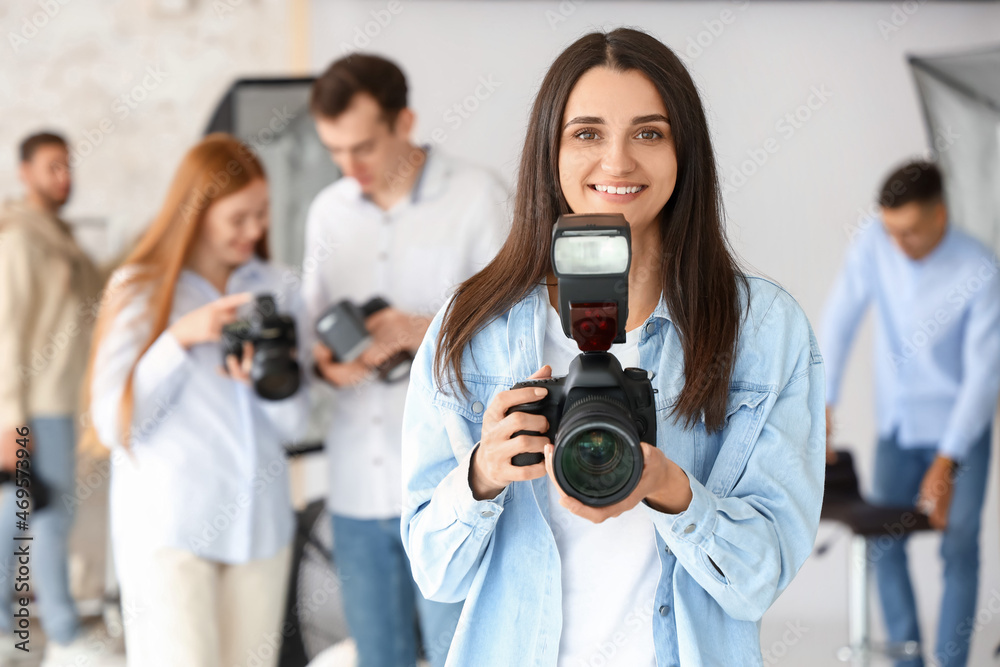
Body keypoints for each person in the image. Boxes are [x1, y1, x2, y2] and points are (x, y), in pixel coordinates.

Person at [400, 28, 825, 667]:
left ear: (686, 151)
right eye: (588, 133)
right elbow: (436, 576)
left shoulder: (761, 330)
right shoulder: (473, 329)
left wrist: (668, 487)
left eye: (649, 133)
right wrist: (482, 476)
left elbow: (760, 577)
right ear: (551, 149)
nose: (619, 162)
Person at [302, 54, 508, 667]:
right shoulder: (327, 211)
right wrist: (326, 364)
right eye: (334, 151)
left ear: (405, 121)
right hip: (357, 488)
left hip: (454, 485)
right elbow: (313, 337)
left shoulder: (479, 199)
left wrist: (413, 329)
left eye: (362, 146)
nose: (349, 167)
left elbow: (515, 336)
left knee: (460, 654)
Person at [87, 134, 309, 667]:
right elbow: (111, 425)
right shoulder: (139, 289)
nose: (254, 230)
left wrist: (262, 380)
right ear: (198, 210)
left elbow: (295, 425)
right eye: (239, 218)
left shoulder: (275, 289)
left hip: (262, 530)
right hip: (171, 536)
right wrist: (179, 339)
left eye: (261, 214)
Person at [822, 161, 1000, 667]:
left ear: (941, 215)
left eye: (912, 231)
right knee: (883, 544)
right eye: (891, 230)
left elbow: (984, 377)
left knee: (959, 548)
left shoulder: (980, 269)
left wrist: (946, 464)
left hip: (961, 431)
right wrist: (824, 402)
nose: (899, 244)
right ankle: (909, 661)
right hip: (897, 430)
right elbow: (839, 320)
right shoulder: (874, 242)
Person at [0, 131, 105, 665]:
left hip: (62, 400)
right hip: (38, 405)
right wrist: (10, 419)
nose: (62, 178)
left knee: (26, 512)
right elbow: (8, 331)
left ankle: (16, 626)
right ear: (25, 172)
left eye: (66, 166)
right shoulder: (20, 239)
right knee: (43, 515)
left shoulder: (59, 237)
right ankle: (60, 630)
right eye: (50, 168)